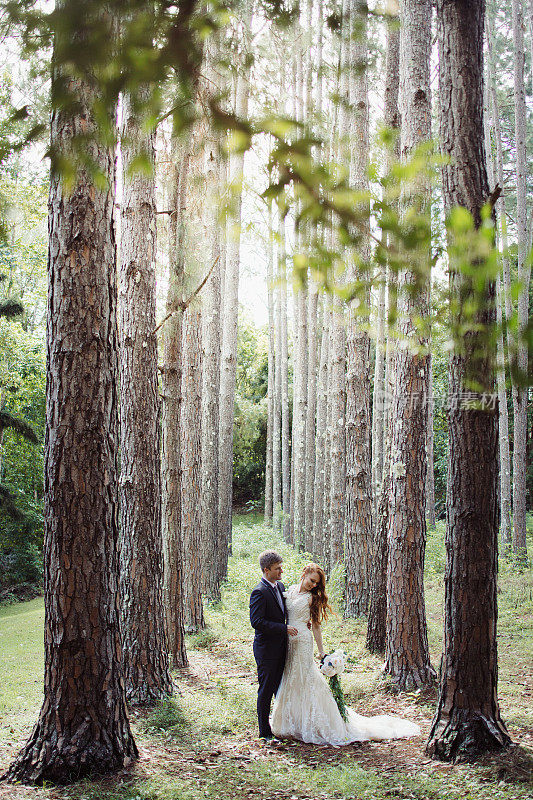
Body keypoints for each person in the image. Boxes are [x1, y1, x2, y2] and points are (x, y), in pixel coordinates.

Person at [270, 563, 421, 745]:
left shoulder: (311, 599)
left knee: (304, 678)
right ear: (305, 573)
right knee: (290, 678)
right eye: (312, 581)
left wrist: (322, 652)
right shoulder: (289, 589)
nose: (313, 585)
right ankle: (292, 721)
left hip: (302, 641)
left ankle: (315, 723)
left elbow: (316, 626)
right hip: (288, 641)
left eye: (316, 583)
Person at [249, 550, 298, 742]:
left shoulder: (280, 586)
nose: (281, 571)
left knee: (280, 686)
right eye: (277, 569)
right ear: (266, 569)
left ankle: (280, 725)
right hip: (266, 649)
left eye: (281, 567)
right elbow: (257, 622)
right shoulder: (259, 592)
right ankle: (264, 732)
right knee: (266, 688)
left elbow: (285, 612)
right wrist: (283, 628)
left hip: (281, 647)